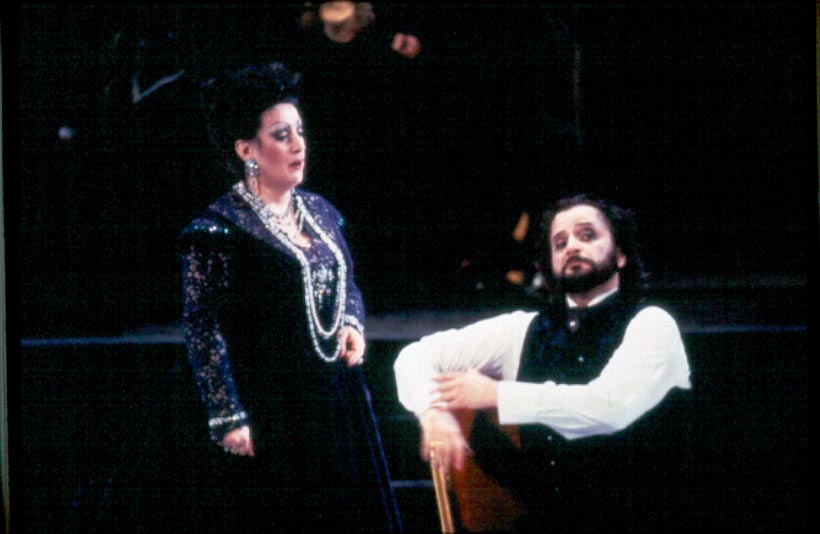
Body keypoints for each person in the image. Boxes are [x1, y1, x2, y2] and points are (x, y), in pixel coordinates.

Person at [178, 62, 401, 532]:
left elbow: (346, 282)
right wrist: (227, 415)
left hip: (334, 400)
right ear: (246, 150)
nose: (299, 145)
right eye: (282, 135)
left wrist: (351, 323)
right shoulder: (217, 230)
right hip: (272, 406)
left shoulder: (321, 211)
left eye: (300, 131)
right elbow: (203, 327)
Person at [394, 194, 693, 531]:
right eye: (560, 243)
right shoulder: (523, 330)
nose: (572, 246)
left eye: (588, 235)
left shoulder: (653, 324)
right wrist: (432, 412)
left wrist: (498, 394)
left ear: (621, 255)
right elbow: (414, 356)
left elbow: (610, 408)